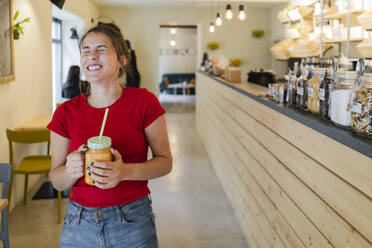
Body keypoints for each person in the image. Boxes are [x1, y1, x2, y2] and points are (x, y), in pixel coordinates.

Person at [48, 22, 172, 248]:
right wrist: (70, 170)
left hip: (132, 220)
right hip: (79, 222)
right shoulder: (65, 113)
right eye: (86, 50)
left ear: (122, 60)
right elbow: (56, 181)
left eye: (101, 49)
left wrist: (124, 171)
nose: (92, 55)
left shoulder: (144, 102)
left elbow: (165, 163)